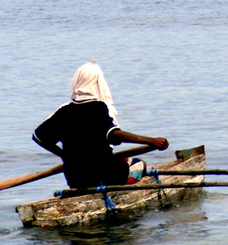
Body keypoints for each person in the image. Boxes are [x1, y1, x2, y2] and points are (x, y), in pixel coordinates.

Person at [33, 61, 168, 189]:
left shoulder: (63, 111)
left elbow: (39, 137)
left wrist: (64, 155)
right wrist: (151, 141)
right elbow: (114, 135)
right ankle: (121, 192)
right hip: (106, 175)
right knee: (139, 164)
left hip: (75, 179)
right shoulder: (100, 107)